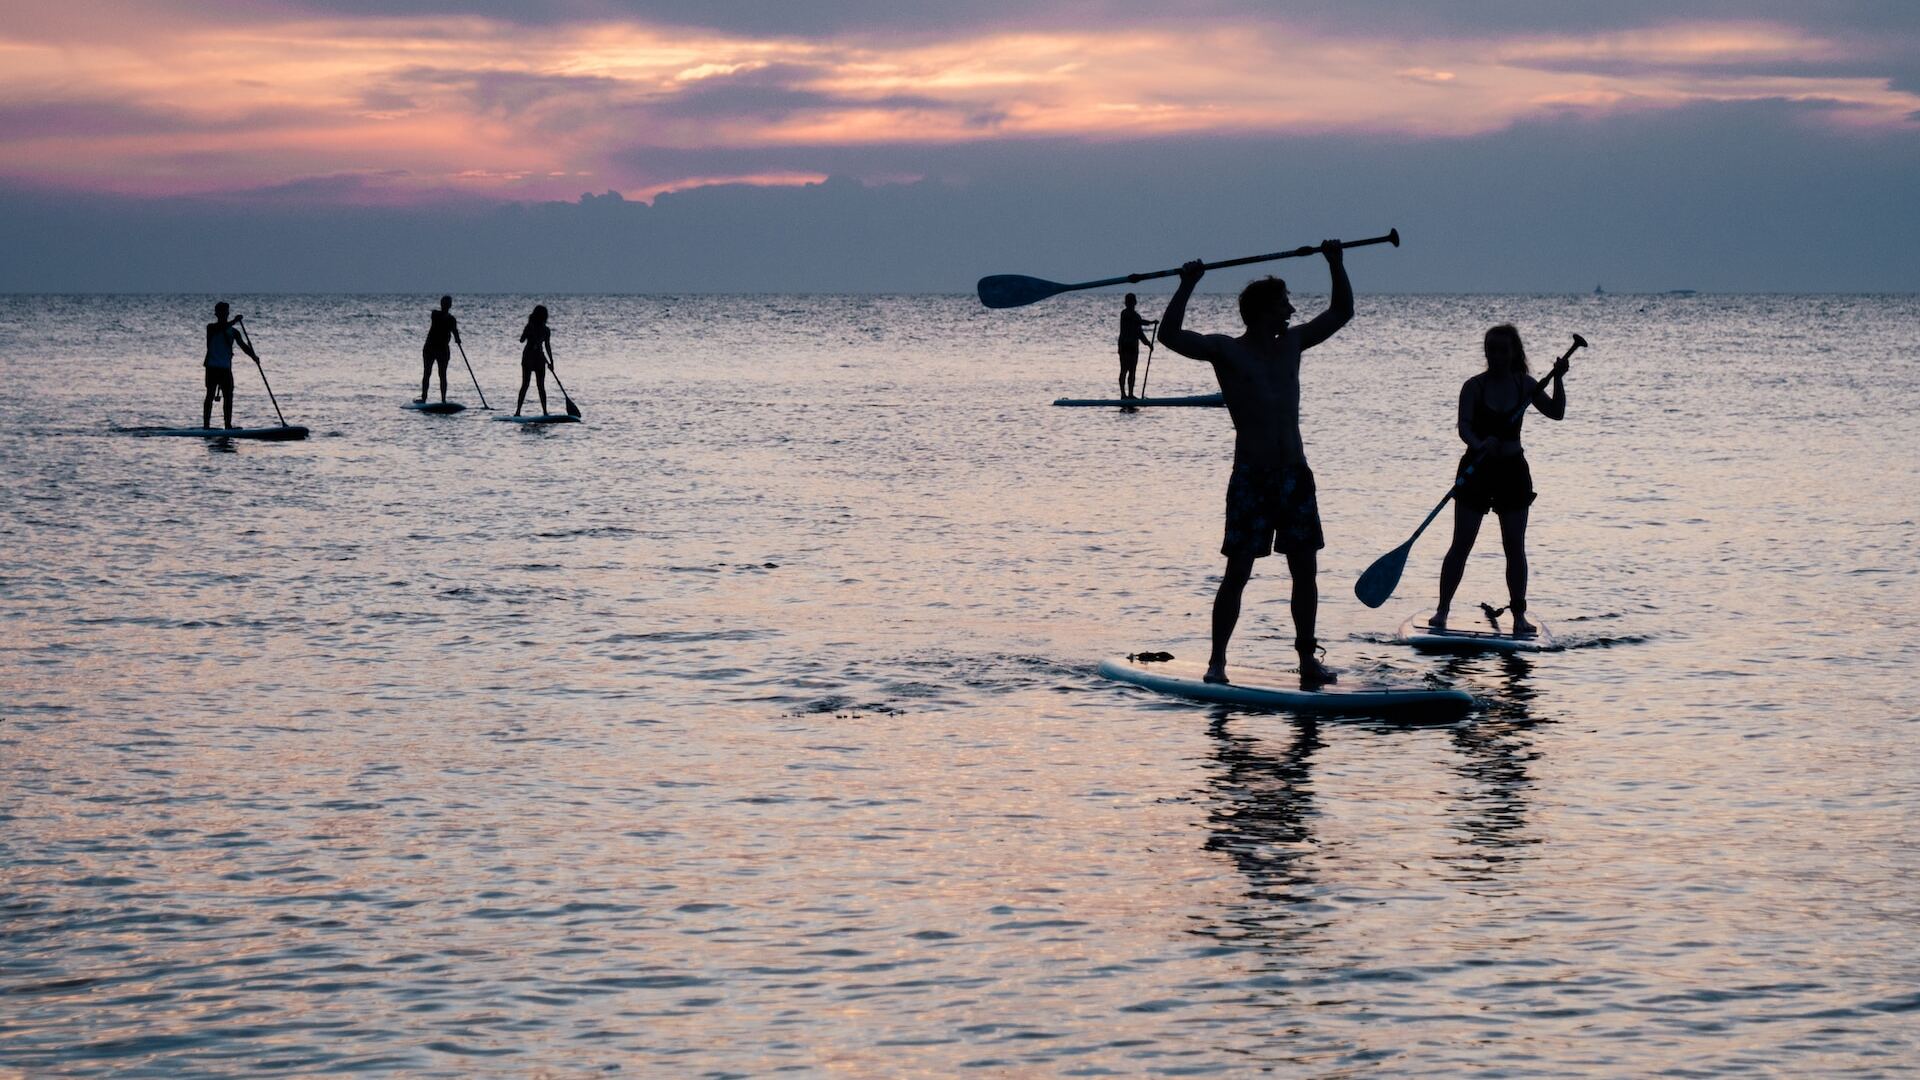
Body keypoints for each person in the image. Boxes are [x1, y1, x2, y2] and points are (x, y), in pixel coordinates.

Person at [1158, 242, 1351, 688]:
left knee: (1305, 573)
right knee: (1237, 573)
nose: (1291, 310)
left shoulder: (1294, 344)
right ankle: (1217, 663)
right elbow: (1170, 337)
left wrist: (1336, 264)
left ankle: (1307, 661)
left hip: (1295, 475)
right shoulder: (1228, 351)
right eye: (1284, 303)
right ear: (1264, 310)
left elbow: (1341, 312)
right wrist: (1187, 284)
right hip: (1252, 478)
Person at [1429, 325, 1568, 636]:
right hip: (1476, 470)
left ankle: (1519, 616)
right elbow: (1464, 426)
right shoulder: (1473, 387)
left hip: (1513, 472)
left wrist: (1559, 378)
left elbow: (1556, 412)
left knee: (1514, 547)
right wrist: (1479, 444)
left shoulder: (1526, 385)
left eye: (1503, 350)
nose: (1497, 356)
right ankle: (1442, 610)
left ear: (1514, 353)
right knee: (1461, 544)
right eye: (1491, 350)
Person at [203, 301, 258, 430]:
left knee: (228, 396)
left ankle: (228, 425)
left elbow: (244, 346)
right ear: (217, 314)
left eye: (226, 312)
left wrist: (254, 356)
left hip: (225, 369)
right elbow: (220, 328)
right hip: (212, 367)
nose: (225, 314)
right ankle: (206, 426)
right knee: (210, 395)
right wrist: (234, 321)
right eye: (222, 312)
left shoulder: (233, 332)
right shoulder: (211, 328)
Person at [419, 295, 462, 404]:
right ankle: (424, 398)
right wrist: (454, 331)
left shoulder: (452, 319)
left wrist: (457, 338)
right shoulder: (435, 314)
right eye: (445, 303)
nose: (446, 305)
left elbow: (455, 332)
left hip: (443, 350)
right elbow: (444, 321)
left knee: (442, 374)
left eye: (448, 303)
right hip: (430, 348)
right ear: (442, 304)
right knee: (427, 373)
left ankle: (443, 400)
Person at [515, 304, 552, 416]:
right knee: (526, 384)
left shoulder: (546, 330)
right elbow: (522, 340)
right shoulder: (531, 327)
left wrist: (551, 362)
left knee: (540, 386)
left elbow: (547, 346)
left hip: (539, 358)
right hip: (529, 358)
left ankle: (545, 411)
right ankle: (518, 412)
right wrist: (528, 332)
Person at [1117, 293, 1156, 400]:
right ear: (1126, 303)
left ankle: (1130, 394)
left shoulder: (1137, 315)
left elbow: (1140, 333)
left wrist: (1148, 344)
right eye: (1128, 301)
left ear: (1135, 302)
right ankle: (1123, 395)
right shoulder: (1124, 314)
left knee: (1133, 371)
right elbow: (1137, 322)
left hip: (1133, 347)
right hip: (1124, 345)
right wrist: (1151, 322)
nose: (1130, 304)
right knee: (1124, 370)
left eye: (1131, 301)